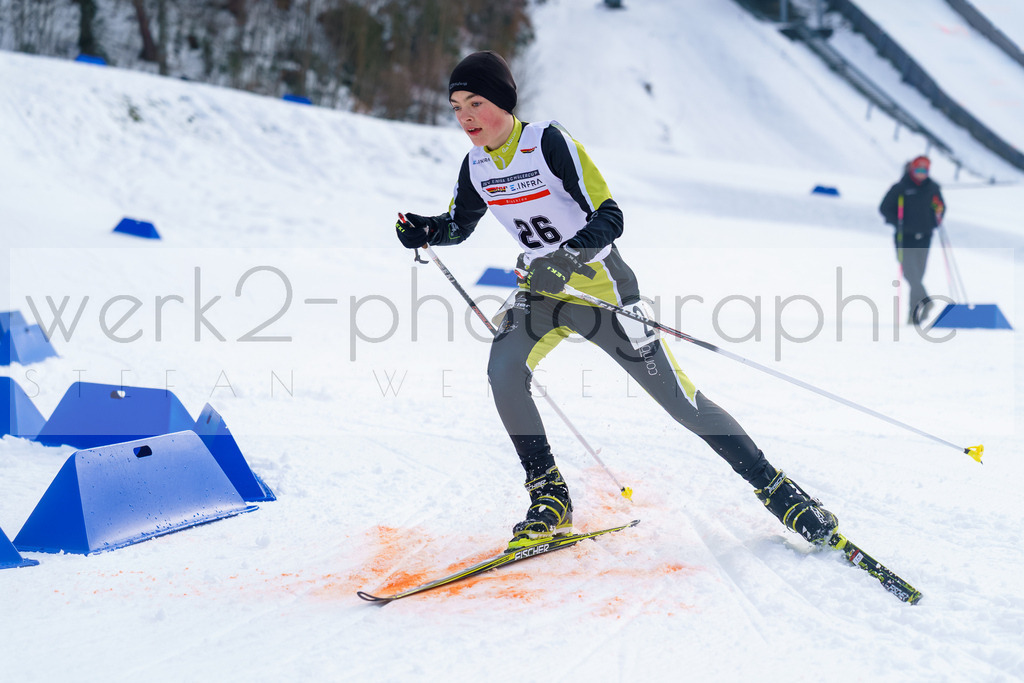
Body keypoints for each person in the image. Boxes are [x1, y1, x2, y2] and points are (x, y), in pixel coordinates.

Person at [395, 50, 838, 550]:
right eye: (456, 107)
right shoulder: (476, 165)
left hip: (601, 290)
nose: (466, 117)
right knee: (503, 370)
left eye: (475, 102)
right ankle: (549, 494)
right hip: (543, 294)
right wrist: (426, 230)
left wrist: (567, 257)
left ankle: (778, 490)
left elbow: (609, 216)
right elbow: (459, 225)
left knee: (682, 406)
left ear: (503, 101)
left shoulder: (547, 142)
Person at [879, 155, 946, 324]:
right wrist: (897, 223)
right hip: (905, 238)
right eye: (919, 170)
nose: (922, 173)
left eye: (925, 170)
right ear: (912, 169)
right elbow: (885, 208)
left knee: (918, 276)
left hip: (925, 237)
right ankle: (926, 301)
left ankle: (914, 315)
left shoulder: (933, 188)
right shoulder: (900, 188)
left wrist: (936, 218)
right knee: (910, 274)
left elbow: (940, 207)